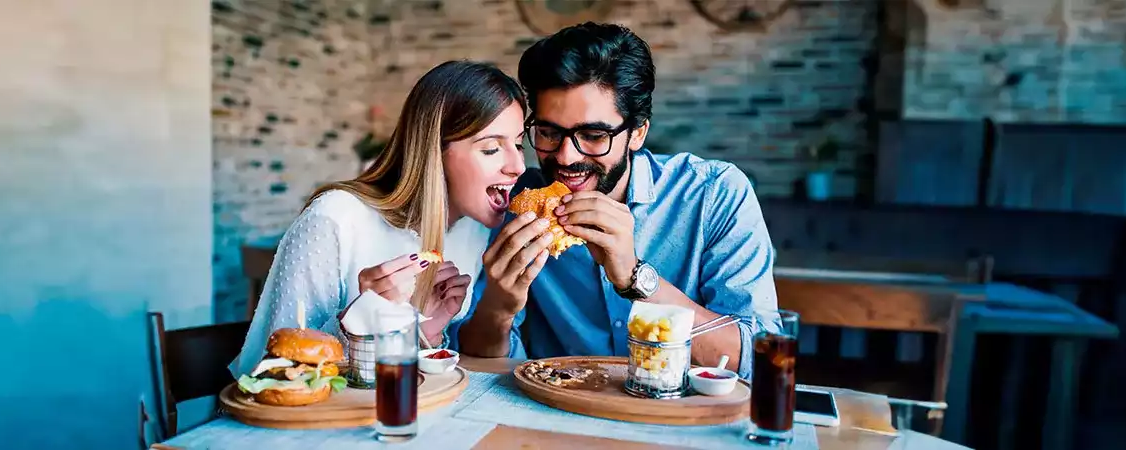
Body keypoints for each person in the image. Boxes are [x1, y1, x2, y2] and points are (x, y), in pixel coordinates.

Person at [455, 22, 781, 378]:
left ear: (638, 132)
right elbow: (478, 362)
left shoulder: (714, 194)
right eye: (548, 133)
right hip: (558, 419)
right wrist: (499, 307)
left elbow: (763, 362)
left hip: (682, 419)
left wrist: (634, 277)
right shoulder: (513, 203)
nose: (565, 157)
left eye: (593, 135)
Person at [231, 61, 529, 376]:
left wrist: (427, 334)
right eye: (492, 149)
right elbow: (271, 371)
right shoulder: (334, 220)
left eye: (519, 144)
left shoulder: (476, 230)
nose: (518, 166)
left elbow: (407, 372)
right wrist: (357, 325)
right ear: (433, 151)